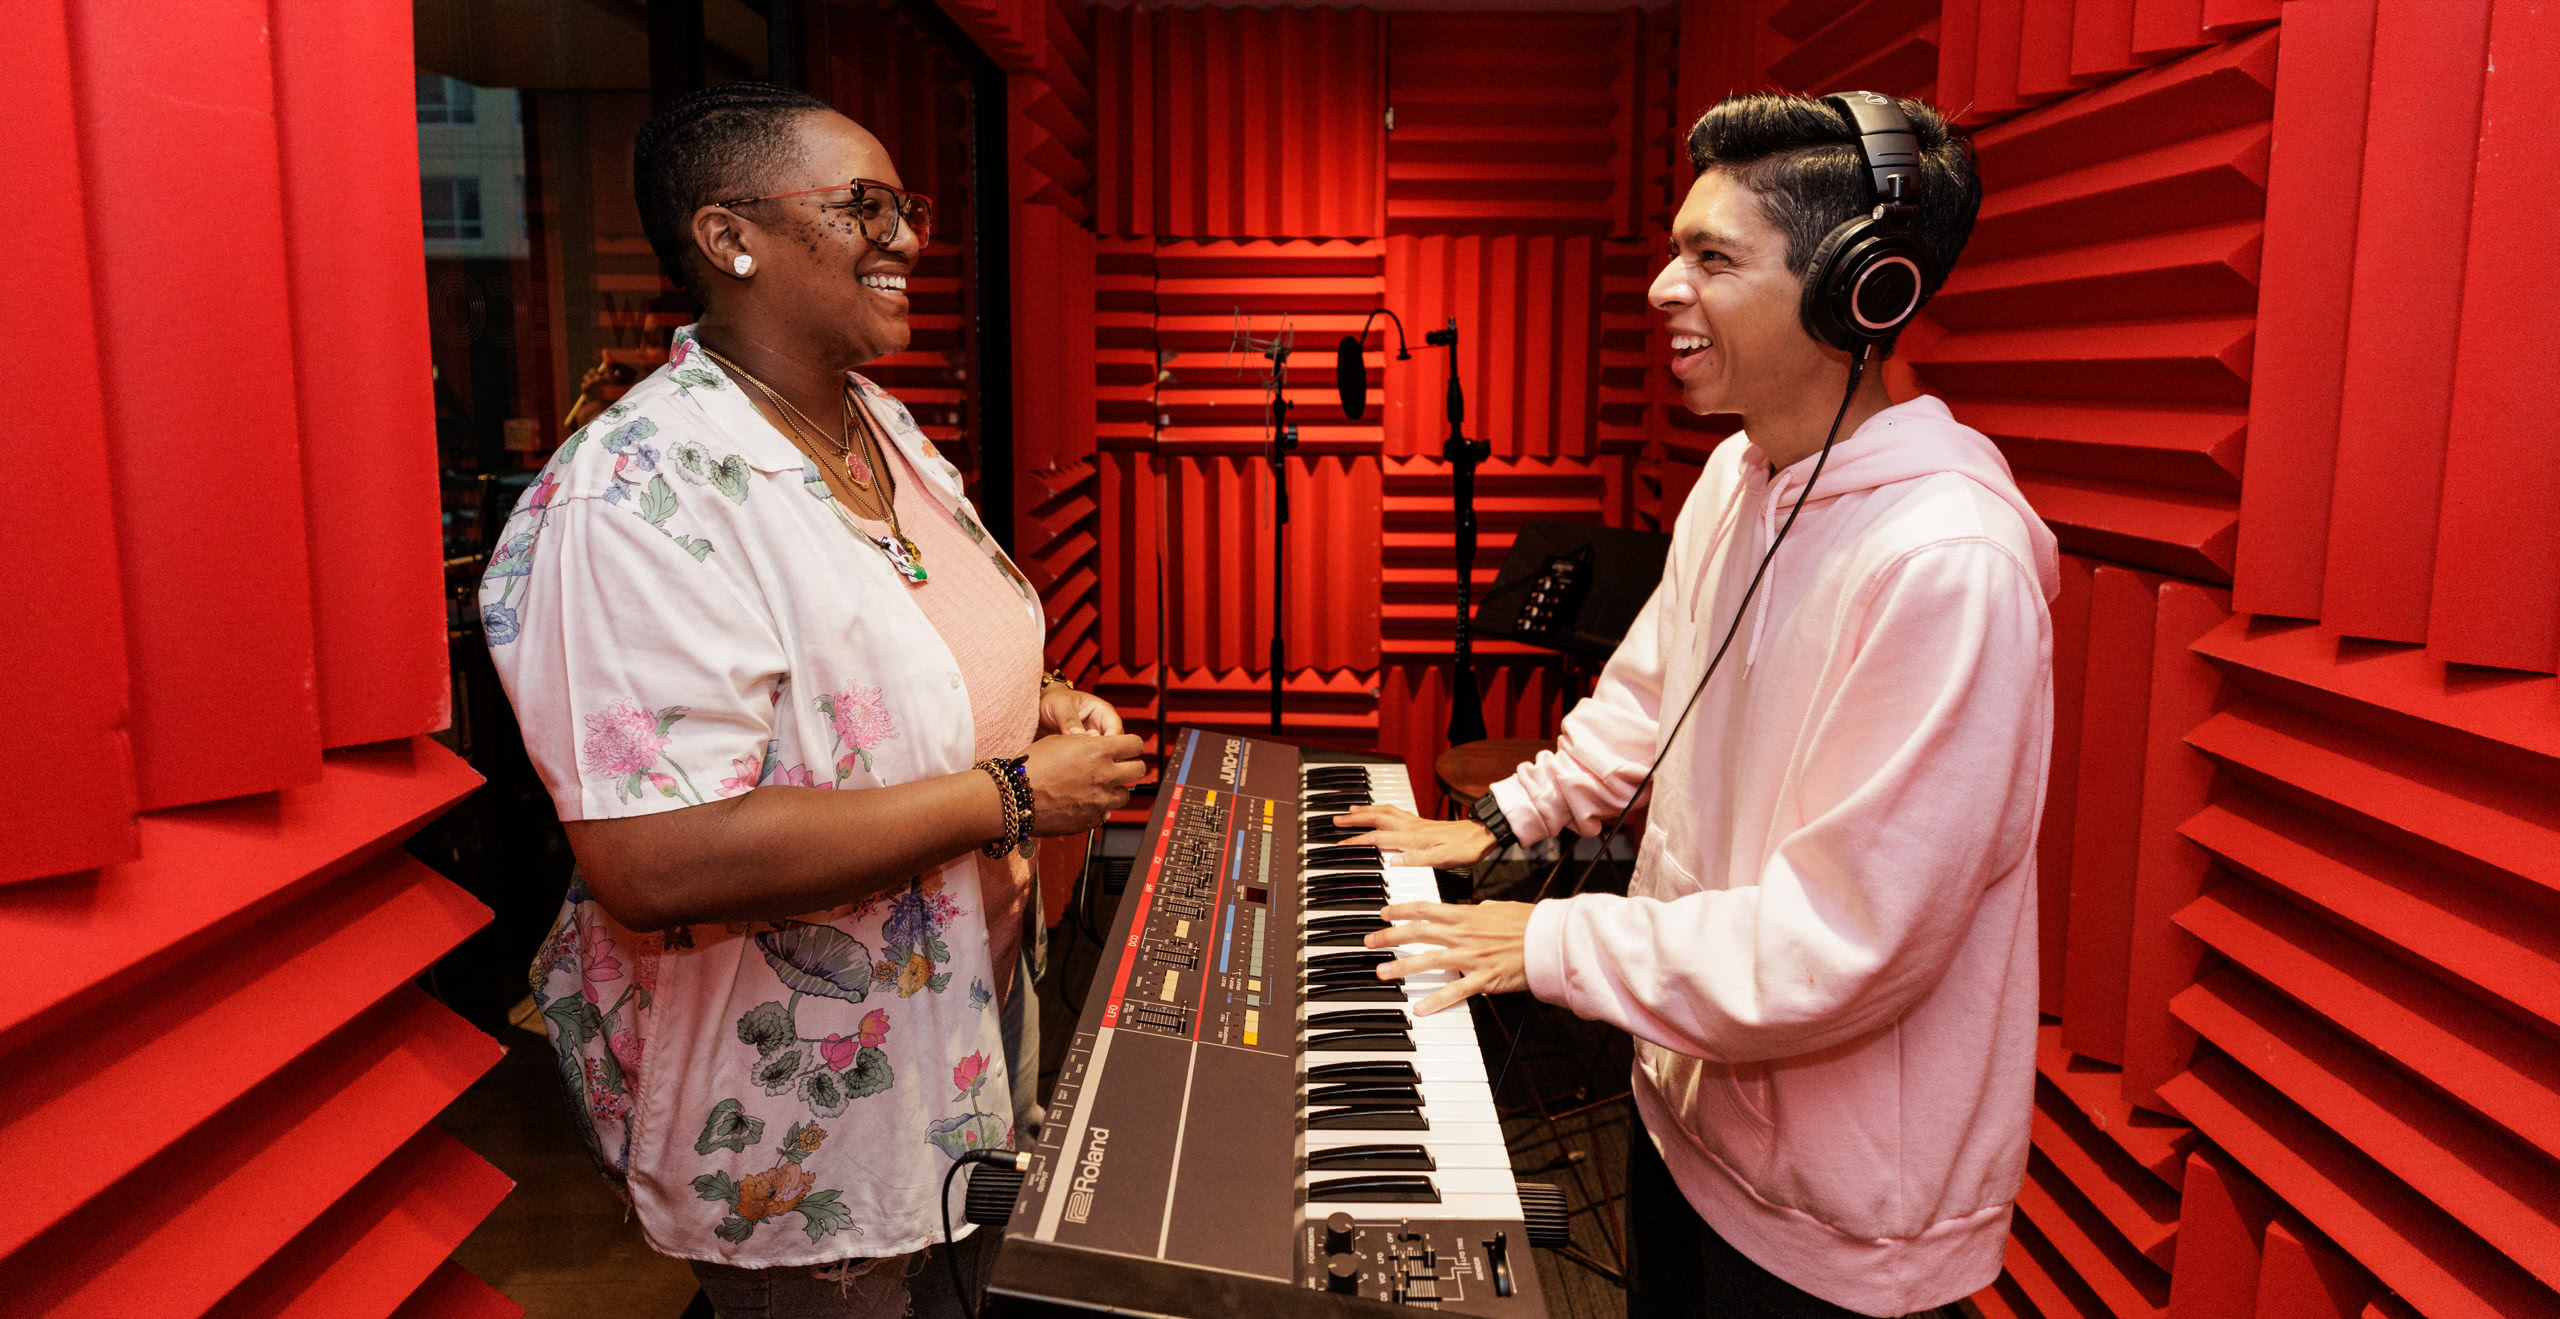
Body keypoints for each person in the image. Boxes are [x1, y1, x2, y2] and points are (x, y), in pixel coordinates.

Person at [1344, 92, 2053, 1318]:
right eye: (1677, 250)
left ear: (1859, 292)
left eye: (1712, 258)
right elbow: (1651, 686)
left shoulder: (1947, 561)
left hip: (1835, 1218)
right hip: (1686, 1120)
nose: (1666, 286)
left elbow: (1851, 939)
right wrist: (1512, 816)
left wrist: (1551, 940)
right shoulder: (1739, 473)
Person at [477, 82, 1145, 1319]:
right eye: (863, 208)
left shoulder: (871, 423)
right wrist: (1007, 794)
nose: (903, 239)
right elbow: (656, 854)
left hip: (956, 1013)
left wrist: (1030, 700)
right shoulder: (636, 493)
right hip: (798, 1106)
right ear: (731, 239)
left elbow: (888, 658)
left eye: (908, 209)